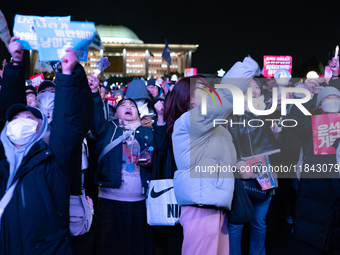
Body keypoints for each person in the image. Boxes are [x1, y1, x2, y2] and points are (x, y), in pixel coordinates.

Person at [0, 37, 93, 255]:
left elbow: (73, 114)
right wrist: (15, 63)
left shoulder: (56, 154)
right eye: (17, 119)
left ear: (42, 128)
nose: (21, 121)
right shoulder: (5, 162)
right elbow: (9, 104)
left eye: (29, 118)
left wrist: (69, 73)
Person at [168, 57, 259, 255]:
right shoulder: (188, 121)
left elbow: (218, 160)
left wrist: (239, 166)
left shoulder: (218, 129)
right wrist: (244, 70)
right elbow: (224, 97)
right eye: (201, 88)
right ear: (189, 99)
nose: (208, 90)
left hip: (217, 202)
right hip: (201, 205)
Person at [88, 75, 155, 255]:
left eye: (132, 106)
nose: (128, 107)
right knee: (109, 248)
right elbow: (95, 117)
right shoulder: (107, 129)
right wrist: (95, 93)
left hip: (139, 201)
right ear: (115, 112)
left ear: (138, 114)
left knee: (136, 247)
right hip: (109, 200)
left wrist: (151, 157)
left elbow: (159, 153)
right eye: (123, 105)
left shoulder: (147, 133)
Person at [228, 77, 279, 255]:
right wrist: (239, 164)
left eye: (256, 87)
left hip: (265, 169)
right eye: (248, 87)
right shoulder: (232, 114)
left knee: (259, 221)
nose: (253, 90)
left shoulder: (269, 112)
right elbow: (229, 144)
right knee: (236, 222)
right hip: (241, 171)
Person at [293, 86, 340, 254]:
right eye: (328, 98)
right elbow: (296, 123)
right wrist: (305, 97)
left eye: (337, 97)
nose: (333, 100)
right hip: (315, 186)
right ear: (320, 104)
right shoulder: (310, 123)